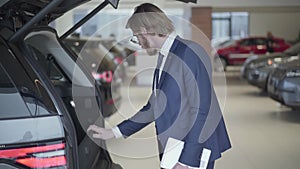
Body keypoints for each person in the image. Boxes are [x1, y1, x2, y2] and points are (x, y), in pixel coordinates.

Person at [87, 3, 231, 169]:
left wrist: (186, 161)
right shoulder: (166, 55)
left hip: (192, 151)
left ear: (145, 30)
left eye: (136, 36)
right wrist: (114, 132)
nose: (138, 42)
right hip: (174, 147)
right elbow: (154, 107)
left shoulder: (189, 52)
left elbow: (201, 110)